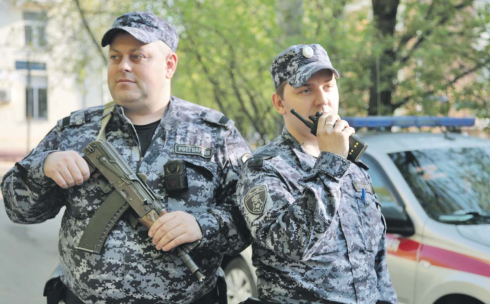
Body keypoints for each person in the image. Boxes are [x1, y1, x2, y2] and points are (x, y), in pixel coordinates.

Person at [1, 11, 251, 304]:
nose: (124, 66)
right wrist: (42, 167)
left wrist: (203, 225)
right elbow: (17, 210)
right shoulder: (74, 131)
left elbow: (251, 218)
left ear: (169, 65)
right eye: (115, 57)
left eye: (137, 56)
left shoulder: (214, 133)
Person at [236, 44, 398, 304]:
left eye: (328, 86)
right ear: (280, 103)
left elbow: (376, 260)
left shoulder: (353, 165)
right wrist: (331, 163)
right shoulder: (264, 167)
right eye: (306, 90)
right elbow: (292, 244)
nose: (322, 99)